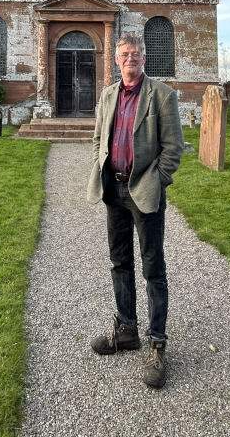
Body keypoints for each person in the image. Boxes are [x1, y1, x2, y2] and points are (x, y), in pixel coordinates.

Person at [87, 32, 184, 388]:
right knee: (119, 262)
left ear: (144, 58)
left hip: (143, 190)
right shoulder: (108, 94)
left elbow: (174, 147)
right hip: (113, 189)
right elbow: (99, 137)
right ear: (116, 59)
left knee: (153, 268)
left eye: (136, 54)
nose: (130, 59)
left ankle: (157, 343)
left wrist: (155, 181)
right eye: (125, 54)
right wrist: (99, 165)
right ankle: (126, 329)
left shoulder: (162, 95)